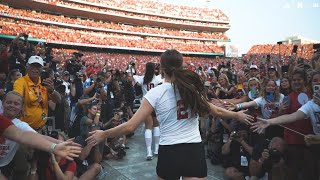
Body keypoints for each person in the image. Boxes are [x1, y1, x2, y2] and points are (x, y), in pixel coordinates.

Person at [86, 49, 254, 179]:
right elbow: (215, 110)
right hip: (193, 149)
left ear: (162, 68)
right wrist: (237, 115)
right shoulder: (192, 89)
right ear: (181, 66)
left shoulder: (156, 93)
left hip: (170, 150)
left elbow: (131, 126)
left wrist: (104, 134)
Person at [13, 55, 61, 130]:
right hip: (25, 129)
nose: (35, 69)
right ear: (27, 67)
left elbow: (58, 100)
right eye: (32, 66)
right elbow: (17, 97)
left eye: (38, 66)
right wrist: (19, 104)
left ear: (42, 69)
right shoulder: (20, 82)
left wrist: (52, 90)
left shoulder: (44, 82)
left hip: (42, 127)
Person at [133, 62, 162, 160]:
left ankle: (149, 151)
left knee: (148, 127)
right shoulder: (157, 78)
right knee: (156, 126)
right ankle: (157, 149)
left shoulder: (142, 79)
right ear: (154, 69)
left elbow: (134, 76)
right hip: (156, 104)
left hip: (146, 104)